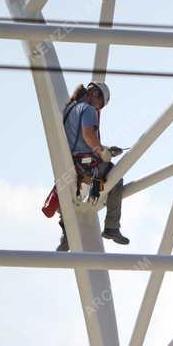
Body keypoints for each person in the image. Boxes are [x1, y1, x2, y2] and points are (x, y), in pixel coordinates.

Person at [56, 81, 129, 251]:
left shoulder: (70, 109)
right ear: (95, 95)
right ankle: (112, 227)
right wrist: (102, 152)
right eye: (100, 105)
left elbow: (80, 140)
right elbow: (88, 135)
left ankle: (68, 237)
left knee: (73, 199)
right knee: (116, 178)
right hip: (85, 164)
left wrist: (106, 150)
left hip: (73, 163)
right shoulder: (88, 110)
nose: (98, 109)